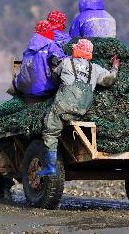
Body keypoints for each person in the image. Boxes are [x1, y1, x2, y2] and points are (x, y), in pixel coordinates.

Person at [36, 39, 120, 176]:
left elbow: (54, 76)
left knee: (50, 131)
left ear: (77, 50)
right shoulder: (95, 68)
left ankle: (50, 167)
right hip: (82, 110)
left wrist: (53, 64)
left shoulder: (67, 62)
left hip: (63, 106)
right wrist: (115, 66)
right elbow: (109, 80)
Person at [14, 20, 66, 98]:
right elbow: (63, 62)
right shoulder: (52, 46)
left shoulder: (29, 47)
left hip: (26, 89)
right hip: (45, 89)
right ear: (50, 31)